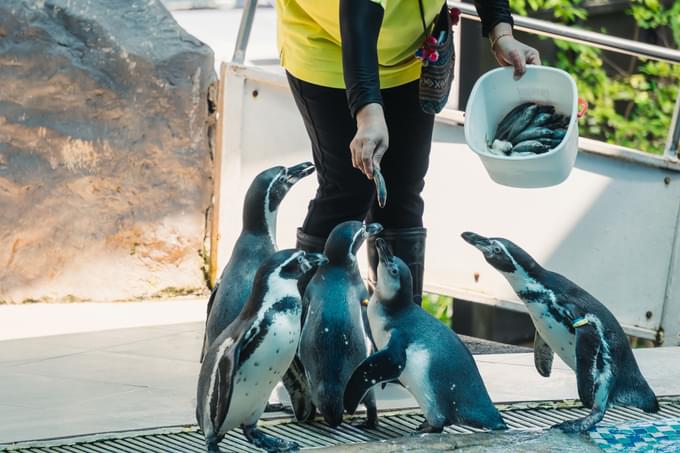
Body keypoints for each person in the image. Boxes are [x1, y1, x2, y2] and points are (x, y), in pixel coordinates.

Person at [275, 0, 541, 305]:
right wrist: (367, 112)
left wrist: (501, 33)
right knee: (348, 189)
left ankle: (401, 330)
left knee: (402, 189)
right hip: (328, 46)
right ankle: (305, 326)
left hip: (410, 55)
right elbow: (358, 15)